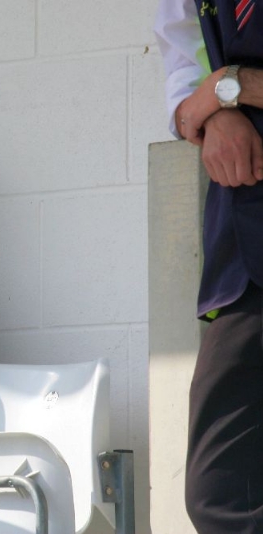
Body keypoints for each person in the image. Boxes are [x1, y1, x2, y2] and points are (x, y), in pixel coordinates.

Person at [155, 2, 263, 532]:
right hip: (244, 252)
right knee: (219, 493)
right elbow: (183, 71)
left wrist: (230, 86)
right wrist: (216, 106)